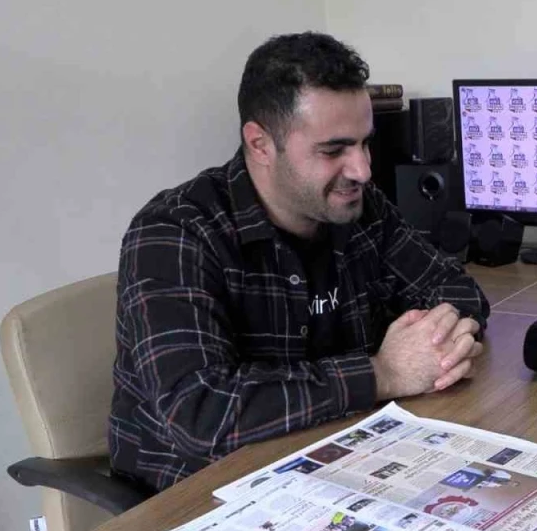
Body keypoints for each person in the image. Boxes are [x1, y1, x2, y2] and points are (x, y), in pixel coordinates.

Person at [108, 32, 489, 492]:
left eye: (365, 143)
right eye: (334, 150)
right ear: (260, 144)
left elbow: (457, 291)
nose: (363, 170)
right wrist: (384, 373)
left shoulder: (360, 208)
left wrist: (430, 344)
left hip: (337, 460)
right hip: (199, 496)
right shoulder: (175, 233)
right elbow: (200, 414)